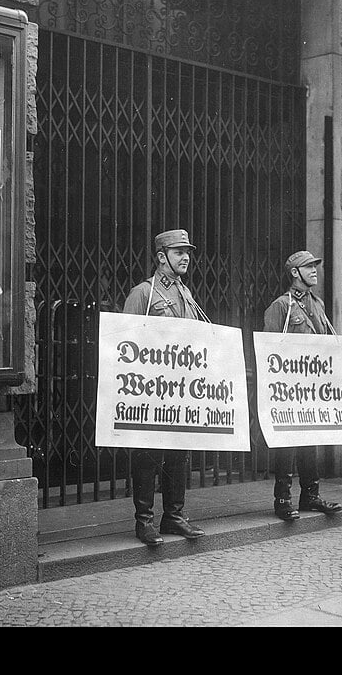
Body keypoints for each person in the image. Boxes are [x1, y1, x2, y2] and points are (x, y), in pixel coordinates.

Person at [122, 229, 209, 546]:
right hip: (150, 390)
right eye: (178, 251)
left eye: (187, 251)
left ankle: (173, 516)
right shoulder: (143, 294)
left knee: (178, 453)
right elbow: (126, 343)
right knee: (148, 454)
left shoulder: (186, 295)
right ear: (161, 257)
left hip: (180, 390)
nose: (186, 257)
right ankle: (144, 521)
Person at [263, 249, 342, 521]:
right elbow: (269, 351)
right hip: (289, 390)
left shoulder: (317, 304)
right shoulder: (281, 306)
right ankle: (283, 499)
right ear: (295, 273)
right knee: (287, 442)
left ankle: (310, 495)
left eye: (315, 267)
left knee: (311, 440)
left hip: (313, 389)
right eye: (309, 267)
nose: (314, 271)